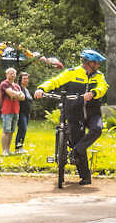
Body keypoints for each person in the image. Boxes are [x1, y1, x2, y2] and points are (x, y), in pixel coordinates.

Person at [35, 49, 109, 186]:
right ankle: (85, 176)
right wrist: (42, 89)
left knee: (97, 129)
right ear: (88, 63)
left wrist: (93, 93)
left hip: (93, 111)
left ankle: (76, 151)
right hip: (75, 111)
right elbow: (55, 81)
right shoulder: (72, 73)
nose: (98, 65)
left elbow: (103, 87)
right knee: (77, 138)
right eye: (96, 63)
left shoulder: (99, 76)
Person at [0, 67, 23, 154]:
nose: (12, 75)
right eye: (10, 73)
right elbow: (11, 93)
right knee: (6, 131)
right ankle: (4, 150)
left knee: (11, 132)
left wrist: (15, 95)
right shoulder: (4, 84)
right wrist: (17, 94)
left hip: (16, 110)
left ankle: (8, 150)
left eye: (14, 73)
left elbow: (23, 97)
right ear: (6, 75)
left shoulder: (17, 86)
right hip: (7, 111)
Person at [15, 72, 33, 153]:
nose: (26, 80)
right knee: (22, 129)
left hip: (27, 113)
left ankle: (20, 146)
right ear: (20, 80)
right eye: (24, 79)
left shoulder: (26, 89)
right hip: (21, 112)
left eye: (27, 78)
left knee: (24, 130)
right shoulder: (19, 88)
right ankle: (18, 147)